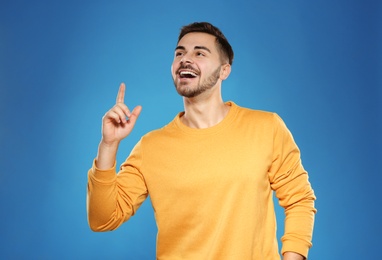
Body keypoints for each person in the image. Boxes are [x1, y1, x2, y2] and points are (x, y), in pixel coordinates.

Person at [87, 22, 316, 260]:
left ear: (224, 71)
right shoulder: (151, 146)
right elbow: (102, 219)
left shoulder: (266, 128)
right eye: (179, 53)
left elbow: (300, 199)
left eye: (199, 53)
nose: (186, 59)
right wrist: (109, 145)